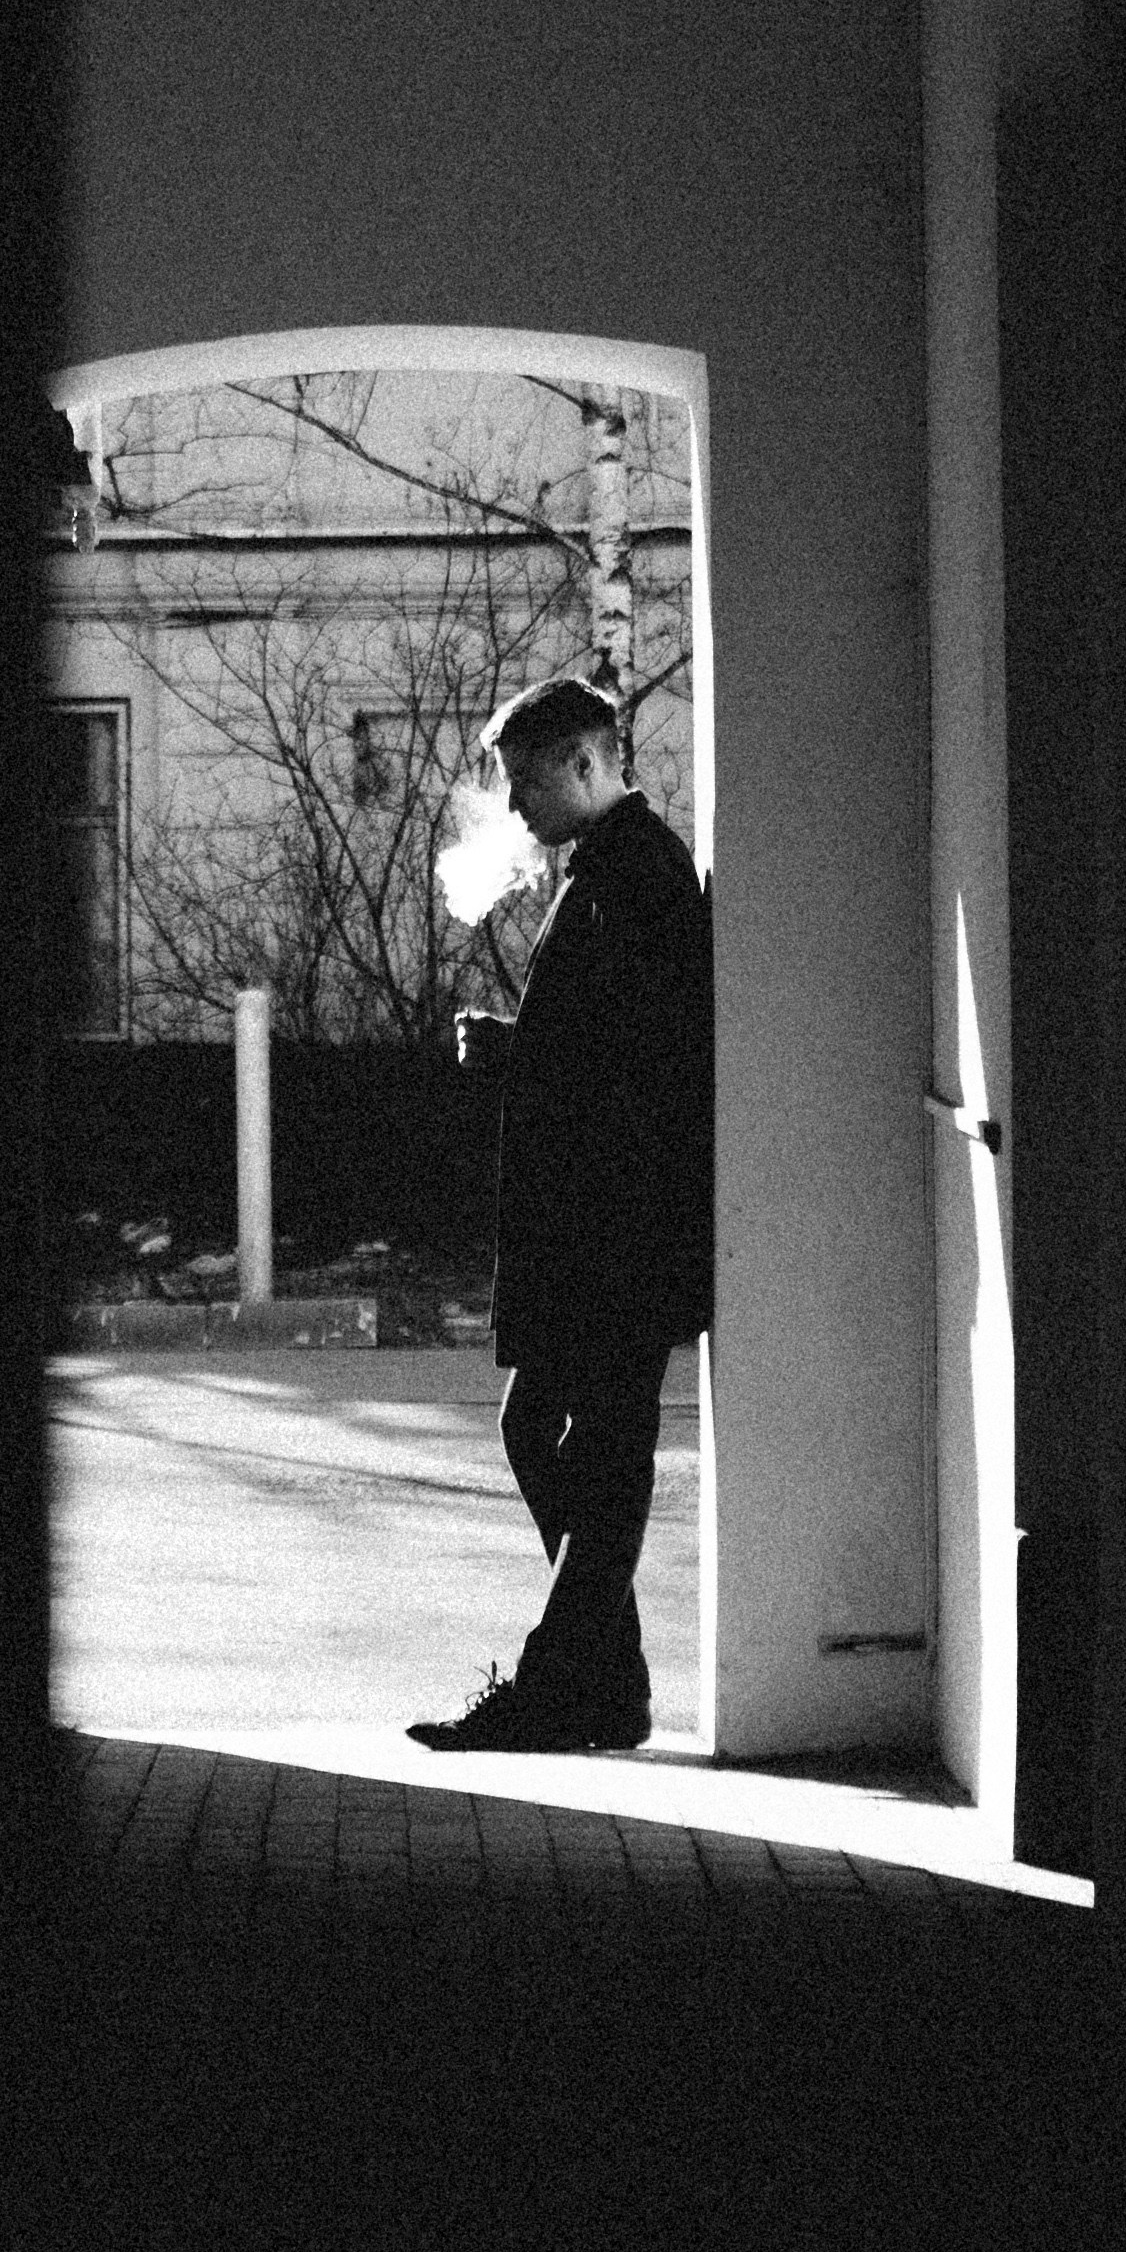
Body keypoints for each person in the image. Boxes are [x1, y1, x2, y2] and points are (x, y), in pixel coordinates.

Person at [414, 675, 712, 1753]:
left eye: (528, 781)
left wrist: (514, 1048)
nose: (515, 808)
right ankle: (602, 1682)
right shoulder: (617, 869)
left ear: (587, 764)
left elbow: (642, 1058)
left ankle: (567, 1683)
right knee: (565, 1434)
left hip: (615, 1230)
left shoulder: (632, 875)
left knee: (593, 1444)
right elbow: (614, 1039)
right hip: (605, 1224)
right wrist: (524, 1043)